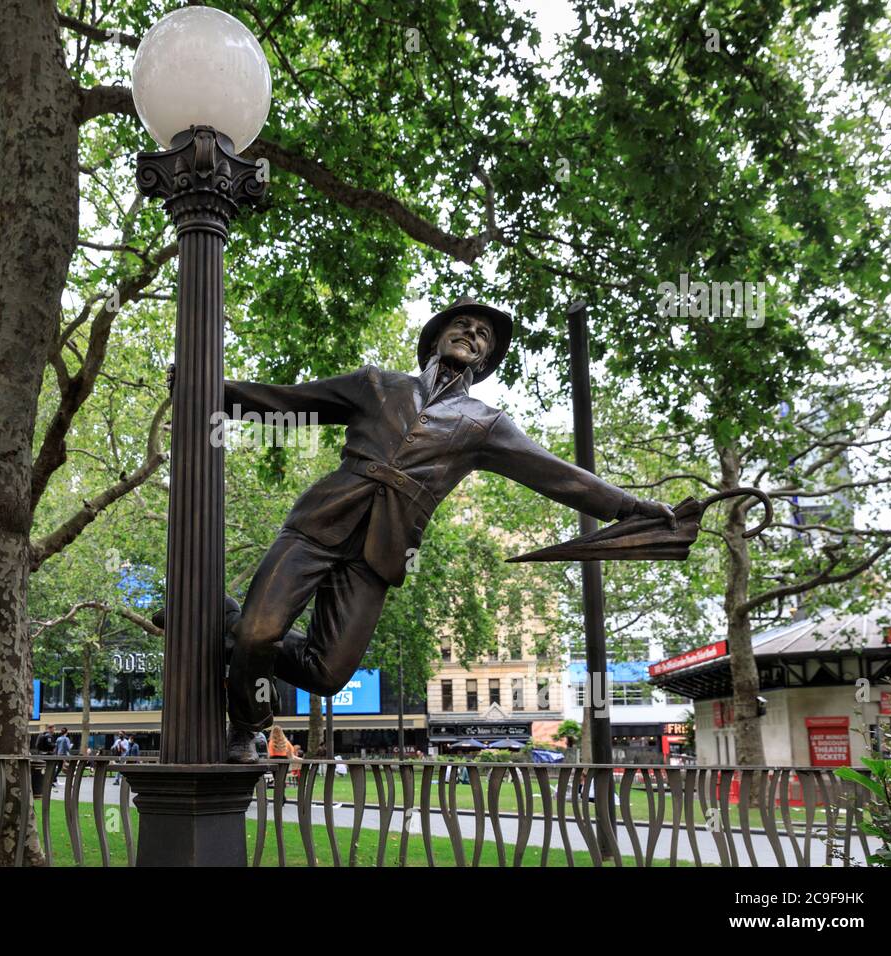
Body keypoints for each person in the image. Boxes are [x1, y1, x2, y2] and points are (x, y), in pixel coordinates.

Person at [214, 297, 675, 762]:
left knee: (326, 674)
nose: (472, 334)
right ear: (435, 337)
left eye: (483, 335)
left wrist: (631, 505)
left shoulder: (485, 424)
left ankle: (226, 621)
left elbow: (557, 474)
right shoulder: (376, 384)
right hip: (320, 521)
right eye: (462, 325)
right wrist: (213, 391)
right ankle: (246, 725)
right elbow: (289, 402)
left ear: (486, 358)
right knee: (259, 635)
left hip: (380, 553)